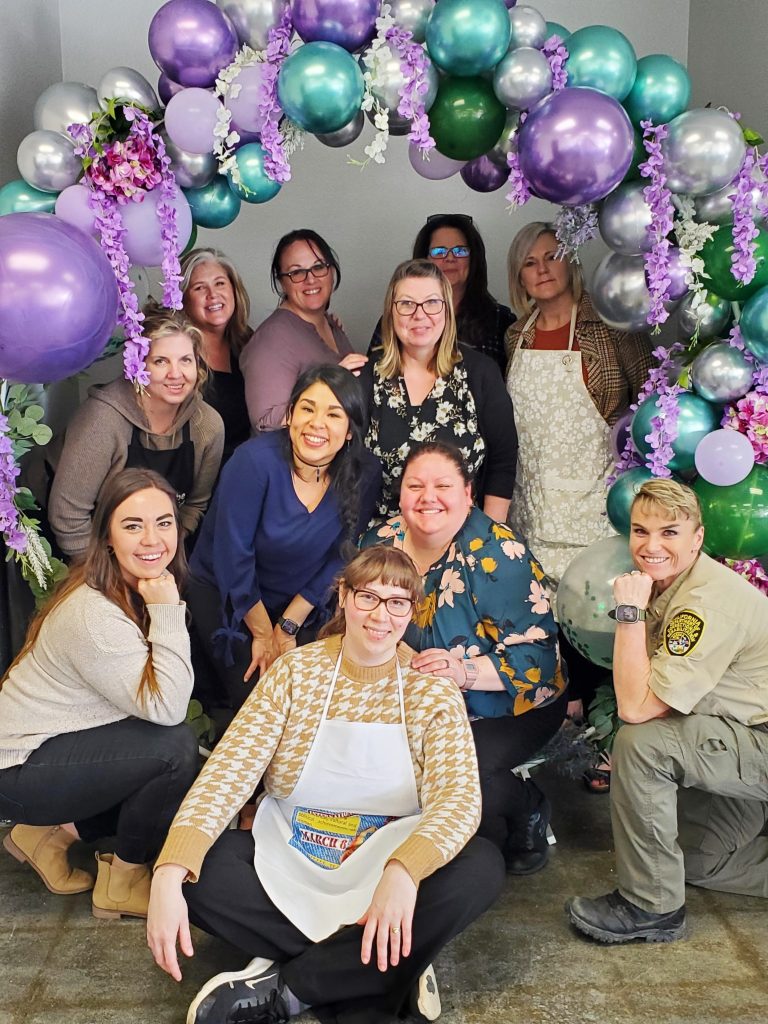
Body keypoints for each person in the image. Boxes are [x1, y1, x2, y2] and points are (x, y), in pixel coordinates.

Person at [147, 545, 505, 1024]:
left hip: (387, 868)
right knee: (201, 873)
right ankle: (391, 966)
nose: (382, 615)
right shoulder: (295, 673)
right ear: (344, 597)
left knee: (482, 866)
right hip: (294, 856)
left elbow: (459, 799)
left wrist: (403, 873)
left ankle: (290, 987)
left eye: (397, 602)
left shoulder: (431, 690)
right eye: (369, 598)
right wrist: (168, 871)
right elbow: (229, 770)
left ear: (411, 610)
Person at [567, 479, 768, 944]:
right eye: (640, 531)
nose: (650, 546)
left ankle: (650, 906)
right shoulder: (672, 581)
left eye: (670, 533)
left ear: (698, 539)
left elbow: (637, 708)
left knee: (641, 744)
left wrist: (629, 614)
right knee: (695, 860)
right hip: (741, 731)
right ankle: (664, 883)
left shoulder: (703, 605)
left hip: (759, 740)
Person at [0, 468, 198, 920]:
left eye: (163, 522)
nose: (153, 539)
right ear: (107, 536)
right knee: (173, 751)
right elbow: (167, 708)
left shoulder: (132, 584)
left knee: (171, 759)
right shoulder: (96, 615)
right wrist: (167, 612)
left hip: (47, 750)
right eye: (133, 525)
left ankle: (49, 836)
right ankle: (123, 882)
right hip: (16, 767)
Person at [360, 442, 567, 874]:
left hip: (508, 704)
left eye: (442, 485)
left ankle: (527, 806)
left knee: (456, 775)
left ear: (468, 493)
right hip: (417, 701)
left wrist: (463, 671)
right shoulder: (381, 542)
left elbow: (537, 660)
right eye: (415, 485)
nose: (427, 497)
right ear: (400, 494)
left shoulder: (497, 554)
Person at [505, 221, 656, 722]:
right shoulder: (515, 336)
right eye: (530, 262)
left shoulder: (610, 329)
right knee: (542, 627)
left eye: (552, 256)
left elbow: (650, 409)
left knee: (596, 624)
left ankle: (602, 735)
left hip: (595, 507)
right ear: (519, 277)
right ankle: (553, 735)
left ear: (571, 261)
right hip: (533, 507)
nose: (542, 269)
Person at [187, 364, 381, 716]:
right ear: (289, 415)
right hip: (229, 595)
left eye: (334, 414)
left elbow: (342, 554)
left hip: (300, 601)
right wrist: (264, 634)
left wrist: (288, 625)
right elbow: (233, 557)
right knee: (263, 704)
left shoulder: (364, 472)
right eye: (307, 408)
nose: (317, 423)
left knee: (315, 698)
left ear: (350, 430)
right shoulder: (252, 462)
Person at [49, 303, 225, 560]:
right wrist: (110, 578)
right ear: (138, 366)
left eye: (185, 360)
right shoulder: (102, 419)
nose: (175, 374)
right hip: (85, 550)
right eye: (160, 361)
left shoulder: (207, 425)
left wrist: (160, 557)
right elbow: (68, 517)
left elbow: (195, 504)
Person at [361, 259, 517, 524]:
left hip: (466, 543)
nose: (419, 314)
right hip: (387, 548)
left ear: (447, 310)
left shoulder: (480, 373)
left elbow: (503, 461)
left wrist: (492, 537)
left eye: (432, 303)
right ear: (391, 312)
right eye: (407, 304)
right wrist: (331, 384)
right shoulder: (366, 379)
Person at [240, 229, 368, 432]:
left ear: (331, 271)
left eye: (318, 267)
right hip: (291, 462)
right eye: (296, 272)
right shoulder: (273, 338)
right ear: (281, 280)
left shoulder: (330, 324)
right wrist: (331, 384)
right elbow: (266, 422)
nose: (310, 279)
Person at [369, 215, 515, 374]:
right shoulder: (399, 317)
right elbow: (375, 375)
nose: (450, 258)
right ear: (424, 259)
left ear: (474, 259)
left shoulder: (501, 320)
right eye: (439, 251)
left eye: (460, 251)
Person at [181, 247, 252, 463]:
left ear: (234, 290)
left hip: (243, 473)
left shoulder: (248, 342)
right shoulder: (176, 354)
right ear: (183, 299)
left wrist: (324, 325)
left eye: (220, 283)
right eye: (199, 287)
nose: (213, 295)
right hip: (197, 482)